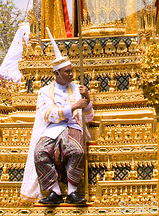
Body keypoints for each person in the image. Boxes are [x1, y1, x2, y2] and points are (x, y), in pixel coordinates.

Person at [21, 28, 94, 205]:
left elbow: (89, 117)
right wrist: (74, 106)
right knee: (40, 153)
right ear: (56, 73)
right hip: (52, 129)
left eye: (72, 71)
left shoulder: (78, 88)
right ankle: (53, 191)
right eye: (67, 71)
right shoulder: (45, 91)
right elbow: (49, 114)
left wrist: (88, 99)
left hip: (73, 127)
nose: (71, 74)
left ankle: (72, 192)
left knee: (76, 150)